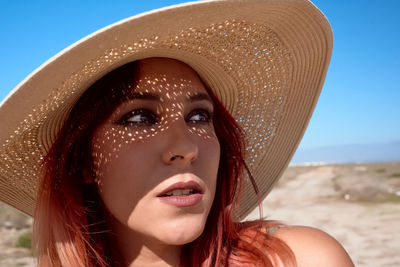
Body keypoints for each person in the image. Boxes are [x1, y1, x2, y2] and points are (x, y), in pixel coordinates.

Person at [0, 0, 354, 266]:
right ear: (85, 165)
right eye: (139, 118)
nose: (186, 147)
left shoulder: (300, 259)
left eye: (199, 116)